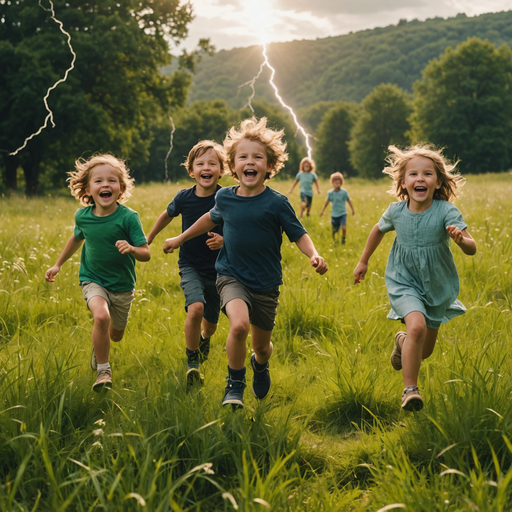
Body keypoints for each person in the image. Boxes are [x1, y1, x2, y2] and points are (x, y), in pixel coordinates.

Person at [163, 117, 328, 409]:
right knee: (238, 326)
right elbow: (208, 219)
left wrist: (313, 254)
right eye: (243, 157)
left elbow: (298, 233)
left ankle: (259, 364)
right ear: (234, 166)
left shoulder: (276, 203)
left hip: (265, 283)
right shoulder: (225, 197)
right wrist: (180, 238)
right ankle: (234, 385)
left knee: (262, 346)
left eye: (257, 157)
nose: (249, 162)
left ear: (269, 166)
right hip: (230, 276)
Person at [353, 144, 476, 411]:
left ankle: (401, 341)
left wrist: (461, 239)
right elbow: (377, 230)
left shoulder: (446, 211)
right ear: (403, 182)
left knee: (424, 350)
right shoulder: (396, 211)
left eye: (427, 174)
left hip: (436, 284)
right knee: (417, 328)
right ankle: (410, 390)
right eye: (413, 174)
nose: (420, 178)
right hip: (403, 280)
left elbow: (472, 247)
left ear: (438, 182)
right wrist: (363, 261)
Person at [45, 154, 151, 392]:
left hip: (122, 285)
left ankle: (99, 344)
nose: (106, 185)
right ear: (88, 189)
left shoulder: (128, 217)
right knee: (101, 318)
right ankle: (104, 370)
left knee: (115, 335)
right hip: (92, 279)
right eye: (99, 181)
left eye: (112, 181)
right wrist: (58, 264)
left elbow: (146, 253)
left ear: (121, 188)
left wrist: (132, 248)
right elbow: (76, 238)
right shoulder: (83, 216)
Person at [147, 140, 226, 391]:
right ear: (191, 171)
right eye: (200, 163)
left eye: (212, 163)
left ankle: (204, 339)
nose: (206, 168)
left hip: (220, 270)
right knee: (196, 309)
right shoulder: (184, 197)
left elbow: (240, 227)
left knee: (211, 325)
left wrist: (224, 242)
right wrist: (148, 239)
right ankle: (192, 362)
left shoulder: (226, 198)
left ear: (221, 170)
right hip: (190, 264)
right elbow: (167, 214)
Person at [320, 171, 355, 244]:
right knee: (335, 230)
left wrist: (352, 210)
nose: (337, 182)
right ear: (332, 182)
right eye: (335, 181)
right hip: (334, 214)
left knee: (344, 228)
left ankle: (343, 240)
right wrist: (322, 211)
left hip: (343, 213)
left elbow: (349, 201)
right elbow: (326, 203)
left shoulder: (344, 192)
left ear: (341, 182)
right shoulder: (330, 193)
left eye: (339, 180)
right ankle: (334, 241)